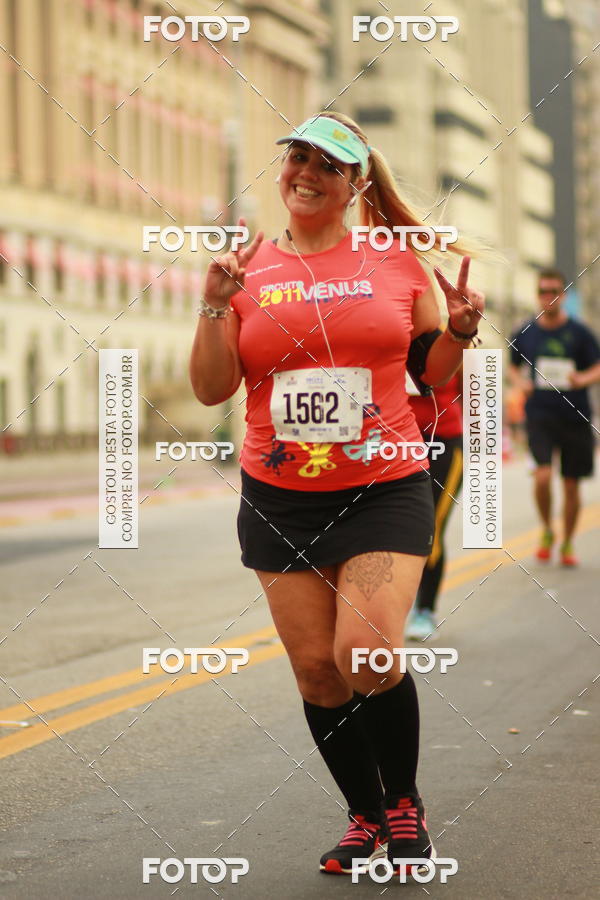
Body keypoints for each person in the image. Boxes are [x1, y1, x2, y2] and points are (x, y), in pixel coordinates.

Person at [190, 112, 485, 876]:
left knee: (367, 654)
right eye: (297, 157)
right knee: (318, 670)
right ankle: (363, 814)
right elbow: (211, 388)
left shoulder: (392, 261)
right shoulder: (248, 267)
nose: (307, 173)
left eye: (328, 164)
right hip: (280, 496)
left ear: (356, 184)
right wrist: (215, 303)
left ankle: (404, 803)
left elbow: (432, 368)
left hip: (382, 486)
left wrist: (456, 331)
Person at [509, 268, 600, 566]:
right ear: (537, 296)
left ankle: (569, 542)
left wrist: (582, 379)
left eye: (554, 292)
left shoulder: (580, 332)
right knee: (543, 475)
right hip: (540, 415)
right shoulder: (525, 331)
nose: (548, 298)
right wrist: (519, 381)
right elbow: (510, 363)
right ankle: (548, 528)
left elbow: (597, 366)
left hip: (574, 415)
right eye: (542, 292)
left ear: (563, 295)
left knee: (571, 485)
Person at [406, 370, 463, 640]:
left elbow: (472, 393)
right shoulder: (386, 336)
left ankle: (425, 610)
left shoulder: (453, 342)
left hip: (443, 443)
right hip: (394, 443)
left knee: (430, 528)